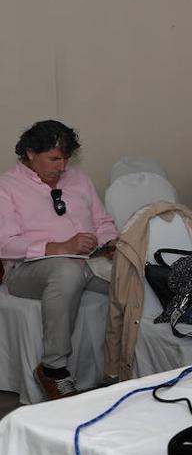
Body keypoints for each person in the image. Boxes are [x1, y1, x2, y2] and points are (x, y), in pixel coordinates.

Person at [0, 120, 117, 400]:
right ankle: (53, 369)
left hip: (88, 262)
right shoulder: (7, 186)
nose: (62, 167)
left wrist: (111, 242)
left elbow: (102, 222)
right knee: (66, 271)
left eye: (65, 159)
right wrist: (59, 246)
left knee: (130, 273)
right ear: (30, 153)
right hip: (27, 271)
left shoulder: (79, 179)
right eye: (54, 159)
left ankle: (122, 363)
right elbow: (5, 243)